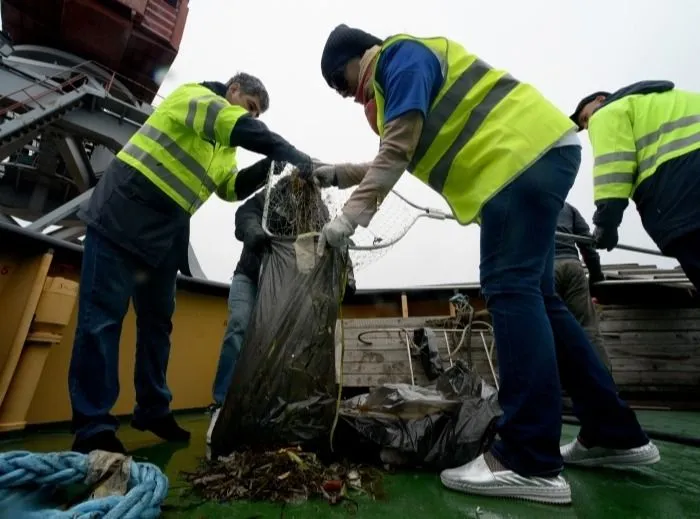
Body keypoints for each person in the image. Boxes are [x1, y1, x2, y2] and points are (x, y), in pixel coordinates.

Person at [314, 25, 659, 505]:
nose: (346, 95)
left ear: (359, 57)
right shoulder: (402, 79)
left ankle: (526, 459)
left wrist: (350, 218)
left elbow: (397, 149)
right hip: (539, 157)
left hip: (514, 166)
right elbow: (394, 152)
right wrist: (338, 172)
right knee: (540, 299)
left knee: (511, 292)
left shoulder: (399, 59)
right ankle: (613, 434)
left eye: (339, 80)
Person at [69, 73, 315, 455]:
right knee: (101, 320)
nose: (253, 118)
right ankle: (93, 427)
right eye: (251, 107)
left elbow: (229, 188)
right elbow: (234, 125)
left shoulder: (224, 146)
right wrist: (292, 152)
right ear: (233, 91)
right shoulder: (196, 98)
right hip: (123, 211)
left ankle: (152, 409)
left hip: (166, 233)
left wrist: (269, 165)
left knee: (157, 325)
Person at [206, 180, 356, 450]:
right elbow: (245, 213)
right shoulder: (273, 196)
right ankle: (222, 405)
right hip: (250, 278)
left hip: (285, 289)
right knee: (239, 326)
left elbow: (332, 244)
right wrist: (252, 230)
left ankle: (271, 408)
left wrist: (347, 272)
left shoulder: (320, 212)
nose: (306, 186)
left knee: (291, 344)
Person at [570, 81, 700, 290]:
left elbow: (613, 169)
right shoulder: (681, 98)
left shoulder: (608, 112)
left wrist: (606, 224)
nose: (588, 125)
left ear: (600, 100)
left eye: (585, 118)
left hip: (684, 202)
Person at [555, 202, 610, 372]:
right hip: (573, 267)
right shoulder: (568, 208)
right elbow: (587, 245)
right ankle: (605, 383)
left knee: (546, 329)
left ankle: (553, 388)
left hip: (544, 269)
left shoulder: (527, 202)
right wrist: (596, 277)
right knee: (589, 329)